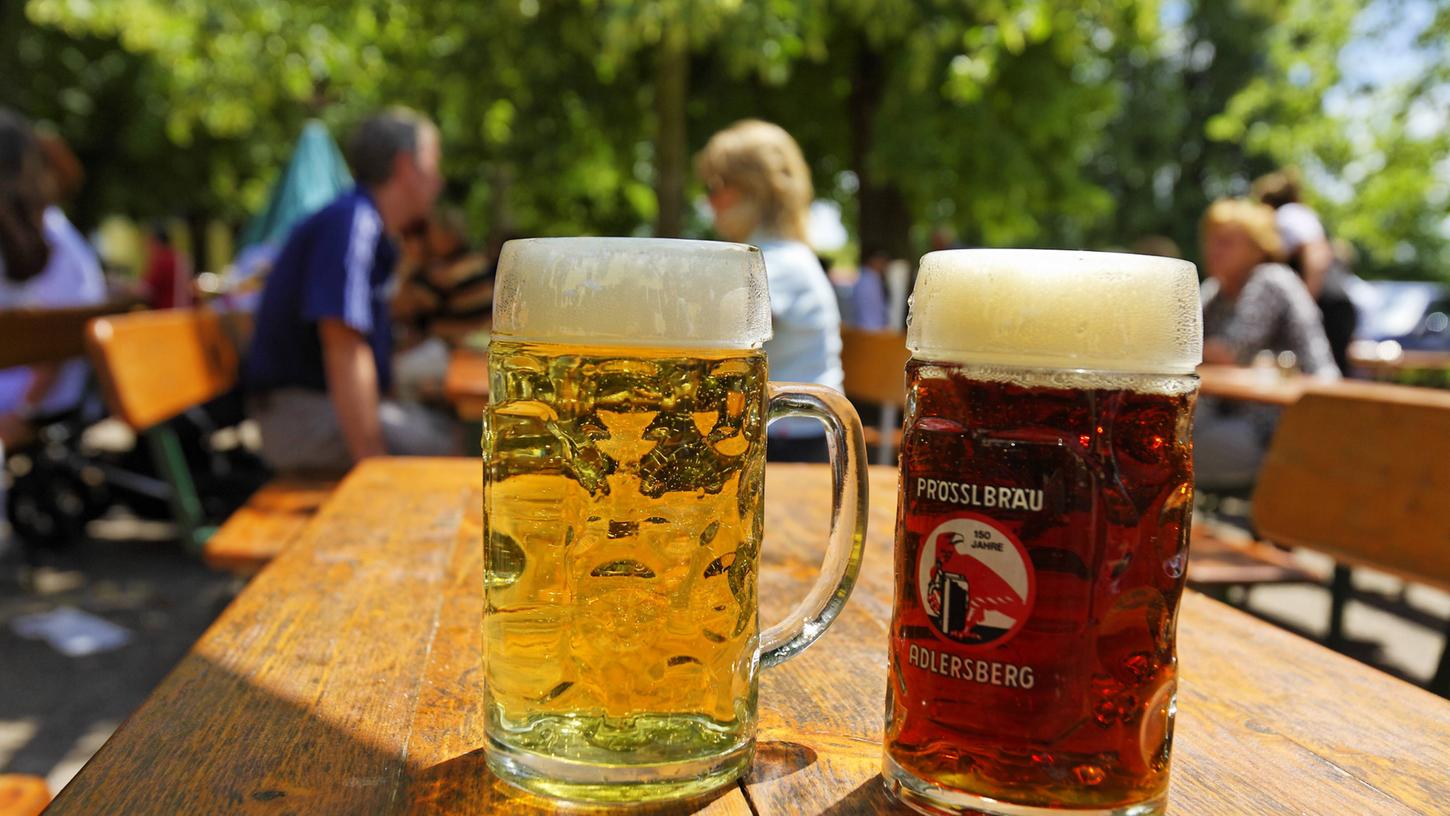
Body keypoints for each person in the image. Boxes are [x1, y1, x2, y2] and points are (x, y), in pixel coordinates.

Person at [245, 108, 459, 473]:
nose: (438, 180)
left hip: (312, 408)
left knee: (446, 433)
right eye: (433, 163)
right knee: (448, 445)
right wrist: (371, 464)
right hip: (299, 419)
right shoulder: (351, 224)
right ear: (407, 166)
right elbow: (343, 345)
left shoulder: (359, 221)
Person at [696, 119, 843, 463]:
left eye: (716, 185)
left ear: (753, 189)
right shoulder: (783, 254)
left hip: (792, 440)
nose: (709, 200)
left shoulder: (778, 262)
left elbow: (721, 328)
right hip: (795, 431)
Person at [1195, 198, 1338, 491]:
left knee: (1182, 445)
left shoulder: (1270, 280)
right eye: (1211, 240)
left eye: (1226, 242)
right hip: (1251, 412)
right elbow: (1186, 344)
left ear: (1256, 249)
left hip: (1302, 420)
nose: (1213, 250)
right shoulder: (1216, 290)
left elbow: (1229, 352)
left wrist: (1203, 351)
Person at [0, 109, 107, 449]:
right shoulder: (49, 231)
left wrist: (21, 413)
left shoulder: (36, 234)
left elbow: (51, 350)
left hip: (31, 401)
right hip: (64, 395)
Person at [1254, 169, 1358, 373]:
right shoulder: (1298, 214)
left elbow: (1317, 258)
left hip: (1327, 305)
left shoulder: (1289, 214)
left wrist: (1303, 304)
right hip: (1334, 303)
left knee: (1325, 377)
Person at [847, 248, 890, 330]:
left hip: (862, 330)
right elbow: (875, 315)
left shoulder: (863, 277)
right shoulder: (871, 280)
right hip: (871, 333)